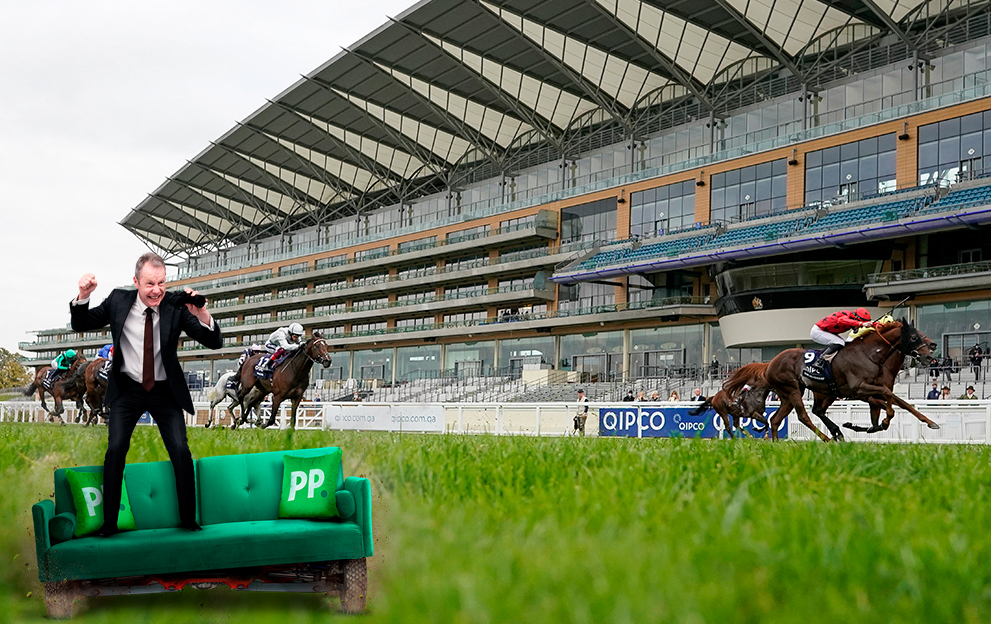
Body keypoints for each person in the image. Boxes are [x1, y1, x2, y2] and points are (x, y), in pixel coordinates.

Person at [70, 252, 222, 536]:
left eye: (161, 283)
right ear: (136, 282)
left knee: (179, 449)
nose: (156, 290)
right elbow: (81, 324)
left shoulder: (175, 307)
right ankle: (109, 525)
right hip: (127, 390)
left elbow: (213, 341)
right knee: (115, 450)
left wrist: (201, 313)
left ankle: (189, 521)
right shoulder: (118, 300)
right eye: (150, 283)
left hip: (164, 391)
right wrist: (82, 294)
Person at [807, 307, 875, 376]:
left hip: (828, 331)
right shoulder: (845, 315)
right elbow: (841, 320)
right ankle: (819, 361)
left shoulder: (852, 318)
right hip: (818, 331)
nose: (860, 328)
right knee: (839, 342)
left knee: (847, 344)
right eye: (860, 325)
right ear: (855, 318)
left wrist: (875, 324)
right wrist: (861, 324)